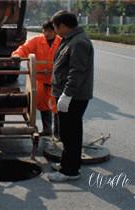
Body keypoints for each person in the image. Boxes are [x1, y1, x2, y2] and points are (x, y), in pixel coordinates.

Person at [47, 10, 94, 182]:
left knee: (71, 134)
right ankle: (67, 164)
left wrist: (67, 95)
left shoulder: (79, 42)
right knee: (67, 133)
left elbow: (77, 72)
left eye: (55, 27)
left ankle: (70, 171)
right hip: (67, 94)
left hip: (74, 97)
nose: (55, 31)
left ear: (63, 26)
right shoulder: (71, 40)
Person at [12, 20, 61, 139]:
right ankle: (47, 129)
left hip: (56, 81)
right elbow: (24, 49)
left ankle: (58, 133)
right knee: (43, 106)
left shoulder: (61, 42)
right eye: (45, 31)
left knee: (57, 108)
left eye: (49, 31)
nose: (47, 34)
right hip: (40, 80)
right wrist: (17, 56)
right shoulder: (37, 41)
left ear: (55, 31)